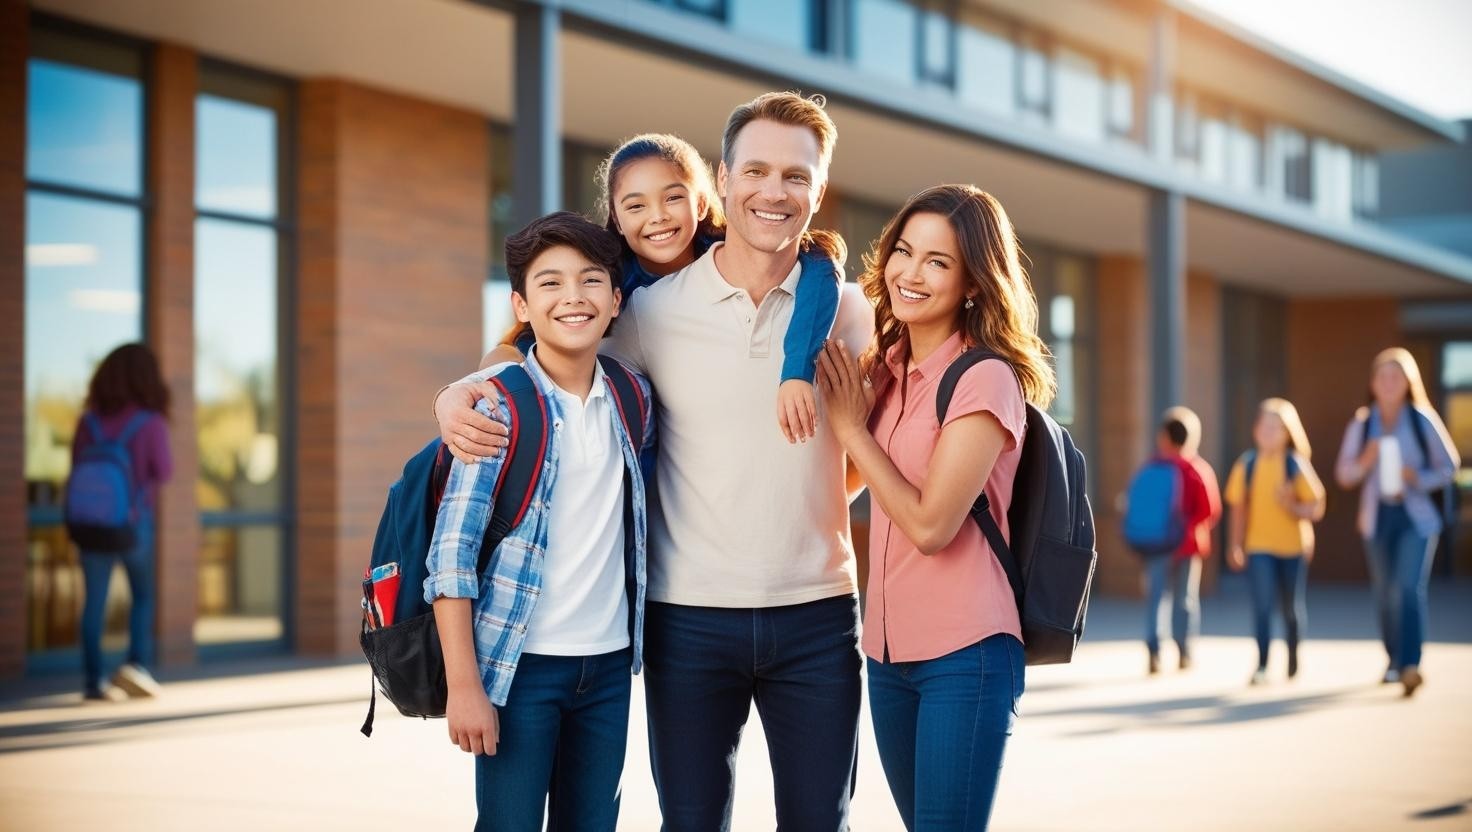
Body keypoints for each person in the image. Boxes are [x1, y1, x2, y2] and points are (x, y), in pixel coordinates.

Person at [434, 92, 875, 830]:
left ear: (818, 189)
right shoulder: (649, 311)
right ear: (725, 180)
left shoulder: (849, 311)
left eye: (796, 176)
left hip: (819, 615)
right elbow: (546, 351)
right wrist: (463, 390)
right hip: (687, 618)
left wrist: (799, 504)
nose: (774, 191)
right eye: (756, 170)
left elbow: (855, 455)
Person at [818, 184, 1049, 830]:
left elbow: (929, 526)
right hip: (887, 652)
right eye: (904, 251)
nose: (910, 273)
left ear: (973, 282)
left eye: (937, 262)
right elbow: (850, 485)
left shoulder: (984, 378)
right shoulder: (886, 369)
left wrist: (852, 428)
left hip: (965, 652)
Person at [425, 212, 655, 830]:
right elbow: (451, 557)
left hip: (608, 666)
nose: (573, 297)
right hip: (518, 669)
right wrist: (464, 686)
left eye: (591, 280)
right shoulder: (497, 407)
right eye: (550, 283)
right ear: (522, 305)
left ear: (615, 300)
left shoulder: (633, 396)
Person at [479, 132, 844, 445]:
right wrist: (470, 391)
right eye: (636, 205)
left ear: (700, 203)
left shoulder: (728, 256)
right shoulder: (609, 284)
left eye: (672, 198)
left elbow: (820, 262)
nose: (657, 217)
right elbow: (524, 347)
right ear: (617, 218)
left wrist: (796, 372)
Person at [1334, 347, 1460, 697]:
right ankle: (1393, 659)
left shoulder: (1422, 420)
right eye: (1383, 376)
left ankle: (1410, 665)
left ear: (1408, 382)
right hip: (1377, 518)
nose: (1389, 383)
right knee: (1385, 593)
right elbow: (1344, 475)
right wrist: (1365, 460)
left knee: (1408, 588)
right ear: (1373, 383)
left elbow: (1448, 467)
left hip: (1416, 517)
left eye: (1396, 376)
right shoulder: (1363, 424)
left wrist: (1417, 478)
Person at [71, 343, 172, 702]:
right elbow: (165, 471)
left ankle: (93, 680)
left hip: (89, 524)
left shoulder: (88, 422)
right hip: (134, 523)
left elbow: (75, 467)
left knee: (94, 601)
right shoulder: (151, 422)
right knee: (142, 596)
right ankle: (135, 667)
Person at [1224, 398, 1327, 685]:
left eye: (1276, 427)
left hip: (1293, 547)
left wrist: (1291, 505)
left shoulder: (1295, 465)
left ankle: (1293, 654)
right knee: (1262, 606)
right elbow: (1238, 509)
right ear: (1255, 430)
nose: (1269, 432)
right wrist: (1235, 544)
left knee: (1291, 607)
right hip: (1258, 547)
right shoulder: (1246, 465)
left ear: (1288, 433)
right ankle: (1262, 664)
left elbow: (1317, 507)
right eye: (1264, 426)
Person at [1132, 408, 1221, 675]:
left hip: (1157, 544)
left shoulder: (1152, 466)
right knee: (1185, 598)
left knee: (1156, 598)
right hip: (1189, 546)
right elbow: (1210, 510)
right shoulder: (1197, 469)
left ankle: (1154, 651)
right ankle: (1184, 651)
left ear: (1164, 437)